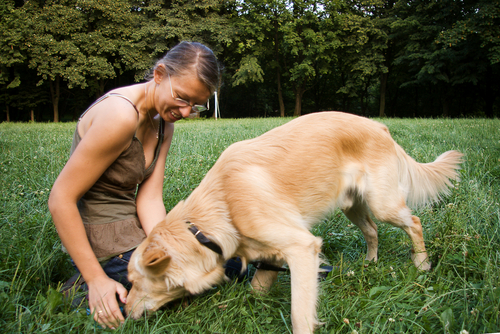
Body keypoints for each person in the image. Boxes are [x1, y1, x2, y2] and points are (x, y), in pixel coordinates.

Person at [48, 41, 220, 329]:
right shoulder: (120, 115)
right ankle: (83, 286)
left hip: (133, 230)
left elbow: (149, 199)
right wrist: (96, 280)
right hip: (99, 237)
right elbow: (60, 198)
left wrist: (170, 248)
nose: (187, 111)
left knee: (210, 257)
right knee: (165, 288)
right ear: (159, 74)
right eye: (182, 97)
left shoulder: (165, 124)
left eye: (196, 104)